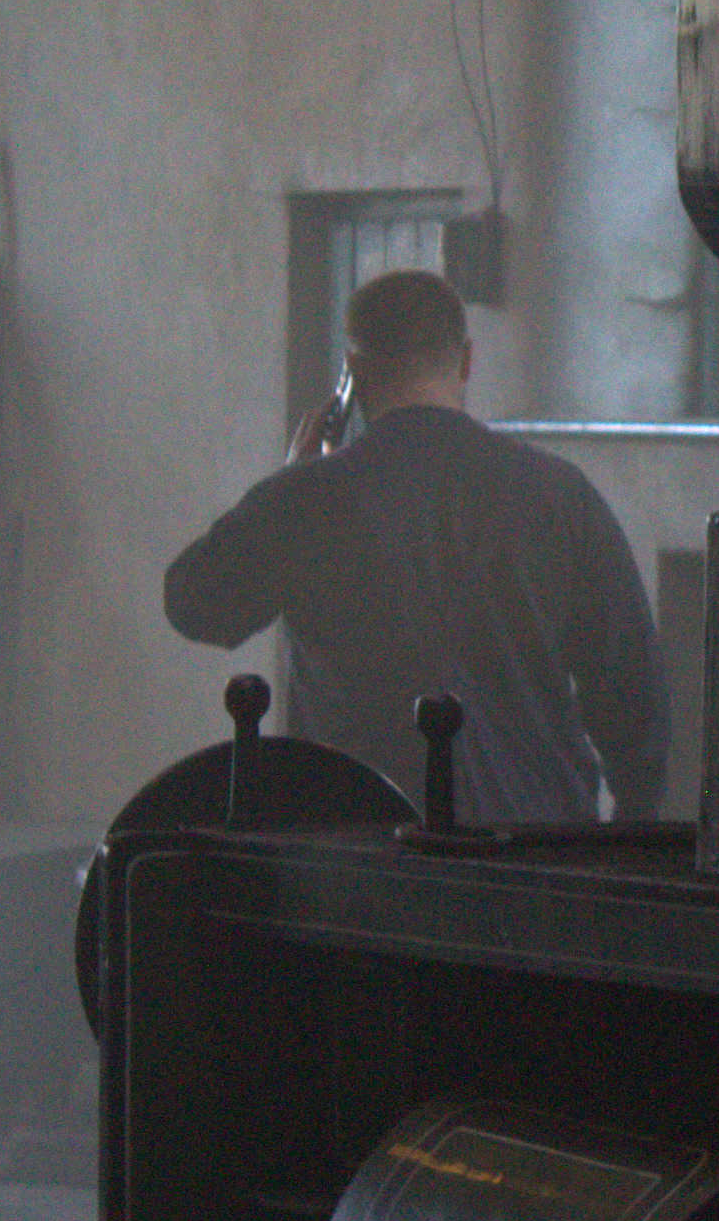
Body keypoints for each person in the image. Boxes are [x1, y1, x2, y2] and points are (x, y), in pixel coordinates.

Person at [165, 269, 664, 825]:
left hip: (363, 853)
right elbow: (634, 697)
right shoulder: (560, 495)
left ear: (353, 373)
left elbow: (195, 603)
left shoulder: (307, 499)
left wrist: (290, 483)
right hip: (535, 856)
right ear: (466, 361)